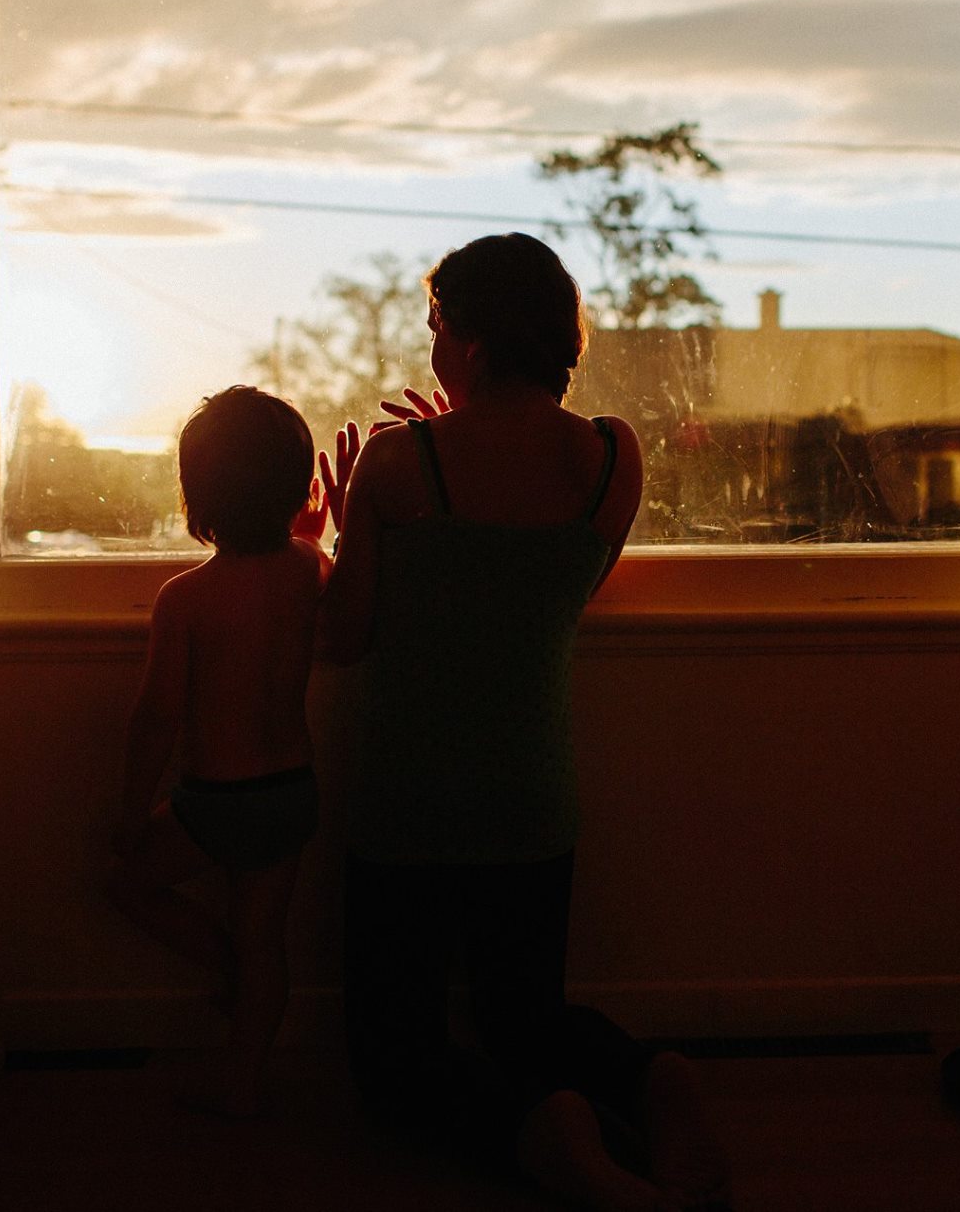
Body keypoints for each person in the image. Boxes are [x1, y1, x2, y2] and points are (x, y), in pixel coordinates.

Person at [318, 233, 730, 1210]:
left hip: (407, 807)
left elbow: (345, 638)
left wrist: (334, 529)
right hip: (531, 801)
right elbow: (528, 591)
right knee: (524, 1019)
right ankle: (646, 1078)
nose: (431, 353)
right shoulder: (610, 456)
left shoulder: (393, 465)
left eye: (433, 331)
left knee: (395, 1058)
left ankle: (549, 1143)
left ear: (461, 343)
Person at [107, 385, 329, 1117]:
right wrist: (317, 536)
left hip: (218, 801)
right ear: (295, 487)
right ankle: (244, 1078)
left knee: (129, 883)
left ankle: (224, 964)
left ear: (197, 495)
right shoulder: (308, 570)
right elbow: (318, 593)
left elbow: (155, 717)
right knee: (266, 937)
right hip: (291, 791)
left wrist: (131, 809)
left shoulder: (186, 598)